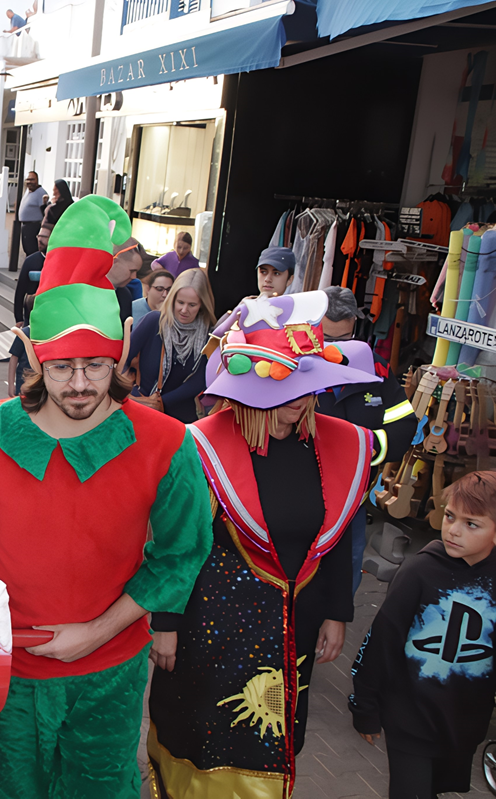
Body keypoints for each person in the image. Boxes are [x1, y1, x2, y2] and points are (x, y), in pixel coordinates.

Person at [0, 194, 213, 799]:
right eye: (63, 367)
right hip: (5, 675)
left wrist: (98, 630)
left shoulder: (166, 444)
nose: (81, 384)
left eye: (95, 365)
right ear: (35, 356)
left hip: (109, 676)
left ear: (117, 358)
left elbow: (181, 553)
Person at [148, 290, 381, 798]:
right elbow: (175, 544)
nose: (300, 401)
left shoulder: (337, 445)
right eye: (288, 387)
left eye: (308, 385)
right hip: (210, 631)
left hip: (292, 629)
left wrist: (337, 611)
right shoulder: (200, 446)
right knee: (203, 740)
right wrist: (164, 623)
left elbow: (336, 538)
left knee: (276, 742)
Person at [351, 470, 496, 799]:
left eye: (471, 524)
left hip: (463, 720)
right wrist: (365, 707)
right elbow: (381, 642)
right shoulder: (419, 571)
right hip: (410, 719)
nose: (453, 530)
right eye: (449, 516)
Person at [317, 286, 417, 593]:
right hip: (302, 489)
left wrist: (363, 450)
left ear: (355, 329)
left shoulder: (375, 367)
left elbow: (404, 426)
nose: (334, 349)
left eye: (343, 340)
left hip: (353, 500)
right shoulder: (293, 364)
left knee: (345, 579)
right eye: (327, 339)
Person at [124, 267, 214, 423]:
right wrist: (135, 396)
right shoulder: (154, 321)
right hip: (143, 412)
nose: (184, 310)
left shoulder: (208, 334)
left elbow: (199, 380)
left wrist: (161, 402)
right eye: (180, 302)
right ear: (172, 299)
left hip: (182, 420)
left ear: (202, 305)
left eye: (192, 305)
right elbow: (123, 359)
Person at [14, 221, 50, 325]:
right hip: (29, 316)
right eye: (39, 236)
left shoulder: (58, 262)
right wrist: (18, 318)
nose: (40, 240)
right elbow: (20, 291)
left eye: (44, 237)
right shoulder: (30, 261)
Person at [110, 239, 145, 323]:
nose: (134, 277)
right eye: (132, 271)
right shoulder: (86, 290)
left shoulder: (125, 295)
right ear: (114, 262)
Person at [17, 171, 46, 259]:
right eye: (28, 179)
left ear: (37, 180)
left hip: (33, 226)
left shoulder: (41, 193)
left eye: (32, 179)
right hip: (25, 225)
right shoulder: (28, 191)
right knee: (26, 249)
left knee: (32, 250)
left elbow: (44, 211)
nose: (29, 182)